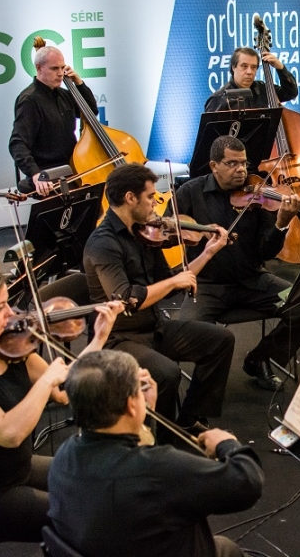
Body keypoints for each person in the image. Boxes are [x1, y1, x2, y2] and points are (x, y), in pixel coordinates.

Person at [0, 263, 122, 543]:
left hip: (19, 467)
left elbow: (66, 389)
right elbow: (9, 433)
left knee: (96, 481)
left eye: (8, 303)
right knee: (87, 520)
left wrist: (100, 338)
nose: (12, 314)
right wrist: (45, 382)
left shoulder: (11, 349)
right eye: (0, 307)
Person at [48, 350, 263, 557]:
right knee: (228, 548)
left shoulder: (65, 456)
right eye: (138, 391)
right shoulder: (160, 471)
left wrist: (146, 412)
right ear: (131, 404)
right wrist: (227, 444)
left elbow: (135, 460)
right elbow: (246, 482)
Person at [82, 164, 235, 432]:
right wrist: (175, 281)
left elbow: (172, 282)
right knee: (166, 373)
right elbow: (127, 300)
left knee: (220, 340)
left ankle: (188, 422)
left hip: (154, 327)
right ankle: (164, 442)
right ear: (130, 198)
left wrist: (208, 252)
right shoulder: (102, 244)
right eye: (151, 197)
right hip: (118, 338)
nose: (156, 205)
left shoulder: (143, 232)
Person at [171, 136, 300, 391]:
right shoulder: (190, 192)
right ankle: (200, 398)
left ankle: (260, 358)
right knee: (186, 332)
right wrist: (194, 232)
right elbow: (170, 233)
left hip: (254, 281)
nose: (241, 170)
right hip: (207, 286)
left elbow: (265, 252)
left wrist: (281, 223)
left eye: (243, 163)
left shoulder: (258, 193)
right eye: (232, 163)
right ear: (213, 165)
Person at [9, 44, 98, 196]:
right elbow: (17, 143)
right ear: (39, 68)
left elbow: (91, 112)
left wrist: (78, 83)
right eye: (54, 68)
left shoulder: (63, 94)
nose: (60, 74)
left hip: (72, 167)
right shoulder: (29, 100)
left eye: (62, 68)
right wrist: (36, 174)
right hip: (48, 172)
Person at [203, 47, 298, 112]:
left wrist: (280, 68)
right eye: (244, 66)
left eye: (253, 67)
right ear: (233, 67)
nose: (249, 72)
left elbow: (290, 93)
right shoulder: (218, 99)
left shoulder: (263, 89)